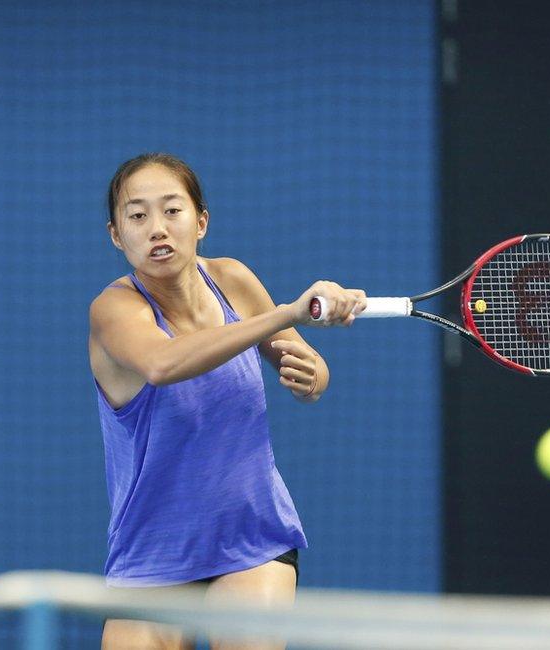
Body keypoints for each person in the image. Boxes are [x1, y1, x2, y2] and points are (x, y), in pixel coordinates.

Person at [89, 152, 366, 648]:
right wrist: (286, 313)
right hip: (151, 556)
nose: (157, 229)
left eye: (172, 211)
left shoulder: (233, 280)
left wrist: (312, 375)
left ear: (201, 221)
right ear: (116, 234)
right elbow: (164, 364)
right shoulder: (114, 309)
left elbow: (304, 362)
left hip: (251, 541)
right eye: (137, 215)